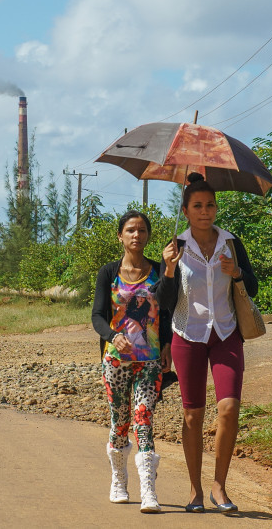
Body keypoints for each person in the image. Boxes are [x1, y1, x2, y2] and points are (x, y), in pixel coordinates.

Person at [158, 173, 257, 514]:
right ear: (184, 210)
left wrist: (237, 272)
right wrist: (169, 270)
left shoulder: (231, 243)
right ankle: (195, 490)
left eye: (210, 205)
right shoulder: (175, 248)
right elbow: (165, 300)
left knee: (229, 409)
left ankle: (219, 486)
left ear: (217, 208)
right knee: (192, 415)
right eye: (197, 206)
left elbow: (253, 286)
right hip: (188, 334)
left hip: (226, 333)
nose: (205, 211)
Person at [92, 210, 172, 513]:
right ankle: (118, 479)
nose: (136, 235)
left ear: (148, 235)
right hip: (115, 362)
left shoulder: (158, 269)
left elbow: (166, 310)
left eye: (141, 230)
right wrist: (113, 336)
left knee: (144, 420)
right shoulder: (108, 272)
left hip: (149, 361)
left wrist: (167, 344)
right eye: (130, 230)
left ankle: (149, 490)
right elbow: (97, 316)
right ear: (120, 236)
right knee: (120, 422)